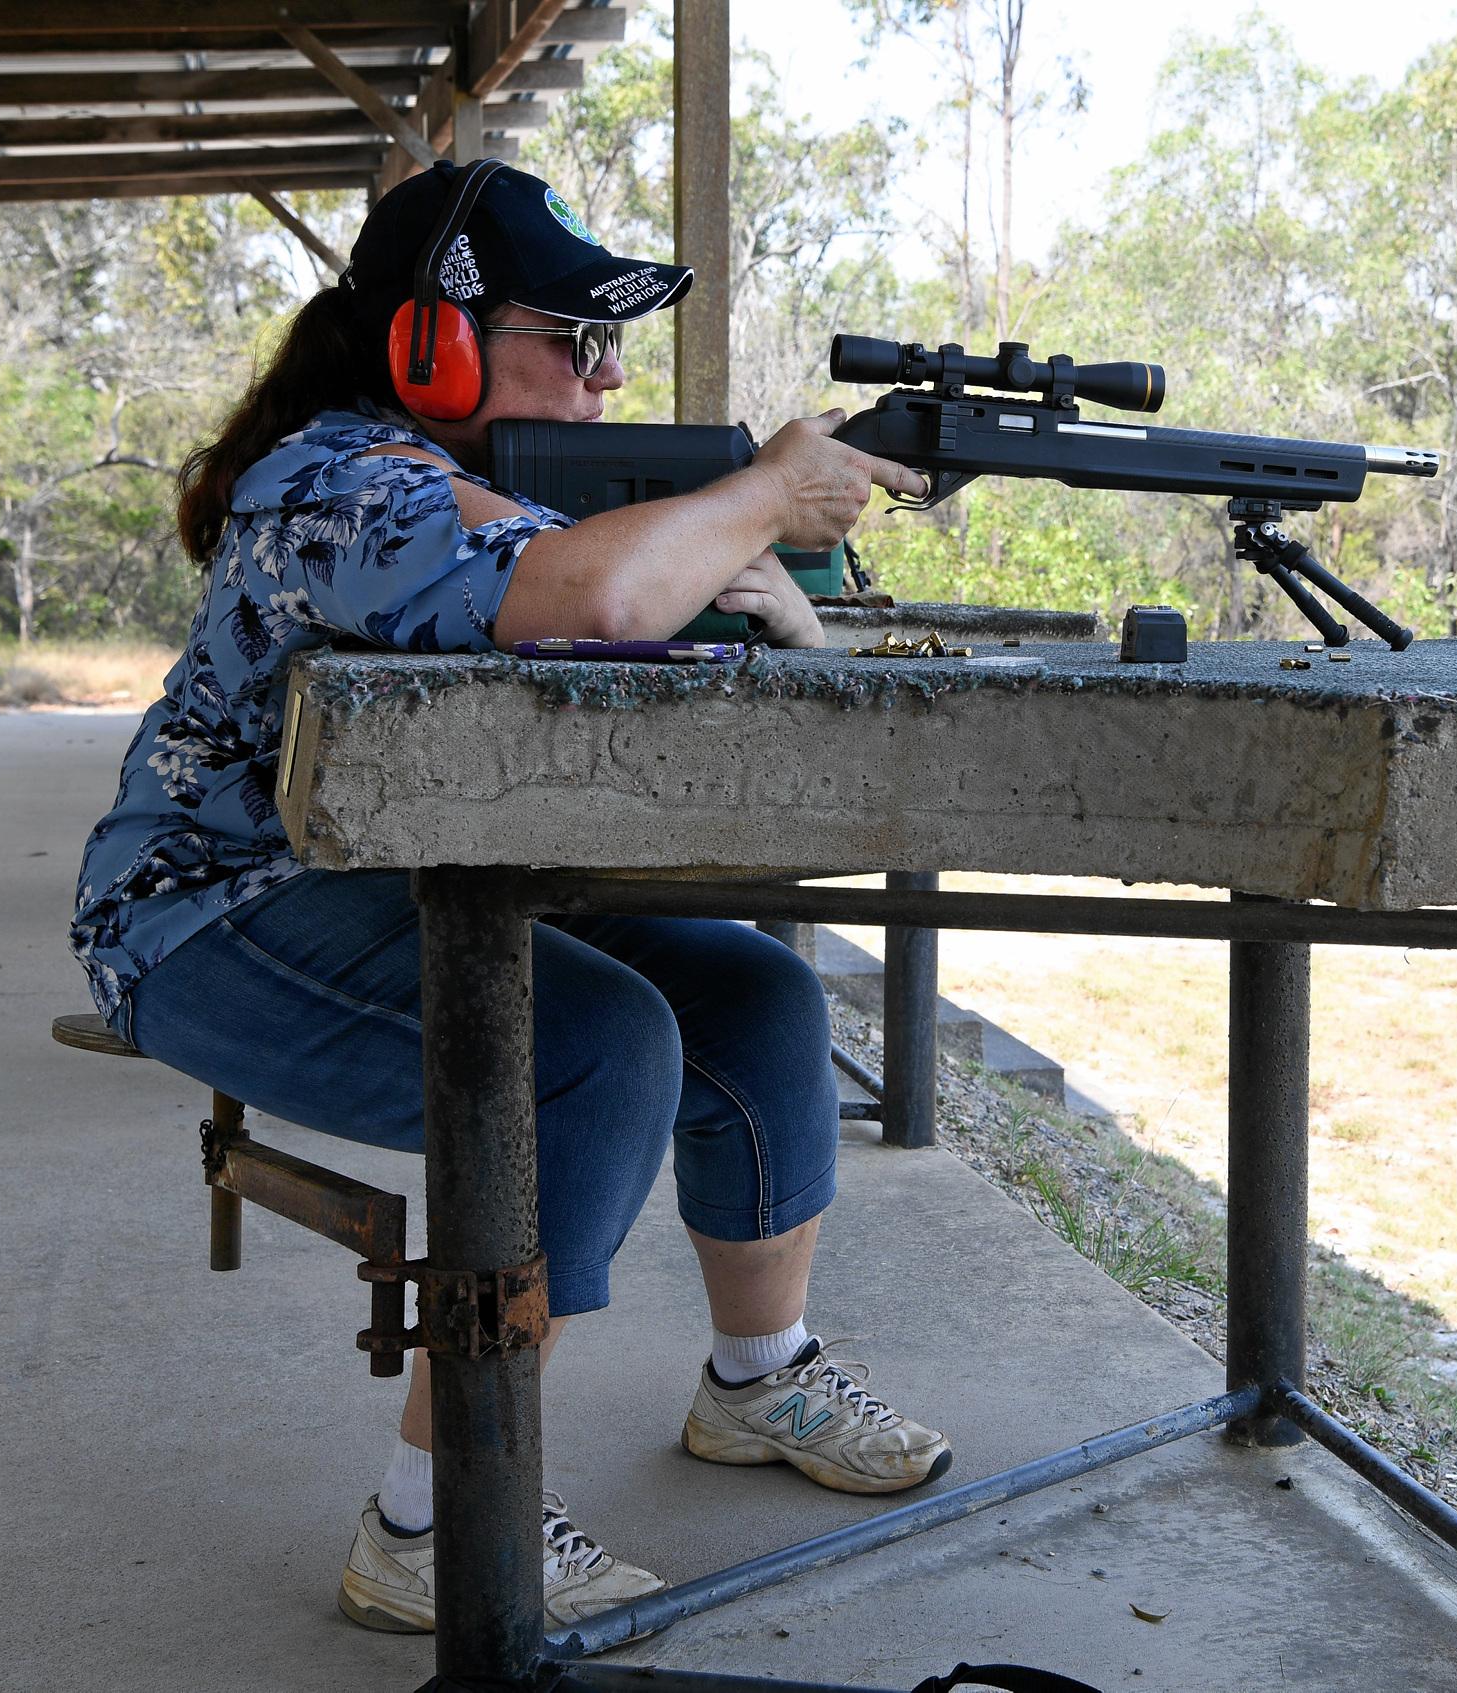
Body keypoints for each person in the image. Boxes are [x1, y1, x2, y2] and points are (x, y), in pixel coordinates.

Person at [68, 159, 945, 1637]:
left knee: (754, 991)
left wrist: (773, 593)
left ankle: (759, 1374)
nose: (605, 382)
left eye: (615, 351)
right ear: (436, 344)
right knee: (591, 1043)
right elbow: (593, 600)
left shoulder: (498, 493)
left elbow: (618, 614)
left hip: (414, 875)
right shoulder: (338, 479)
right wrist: (756, 496)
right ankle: (429, 1520)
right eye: (572, 342)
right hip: (208, 908)